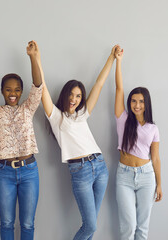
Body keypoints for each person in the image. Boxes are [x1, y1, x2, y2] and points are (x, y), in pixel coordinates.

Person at [41, 45, 119, 240]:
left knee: (90, 226)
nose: (74, 99)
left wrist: (112, 57)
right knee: (90, 225)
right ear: (65, 95)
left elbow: (99, 85)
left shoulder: (82, 114)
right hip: (80, 171)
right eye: (71, 94)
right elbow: (41, 87)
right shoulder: (56, 117)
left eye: (78, 96)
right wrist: (36, 58)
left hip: (100, 167)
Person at [0, 40, 43, 240]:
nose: (12, 93)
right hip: (4, 173)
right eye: (8, 89)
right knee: (6, 223)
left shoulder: (28, 108)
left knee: (27, 223)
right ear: (2, 91)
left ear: (21, 92)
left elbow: (38, 85)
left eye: (16, 90)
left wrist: (33, 57)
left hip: (29, 171)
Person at [114, 46, 162, 240]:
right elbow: (119, 89)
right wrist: (118, 61)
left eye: (141, 101)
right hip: (124, 176)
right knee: (129, 227)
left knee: (142, 229)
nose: (136, 105)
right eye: (133, 101)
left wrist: (159, 184)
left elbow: (156, 158)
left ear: (146, 103)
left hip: (146, 177)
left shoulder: (153, 128)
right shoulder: (122, 119)